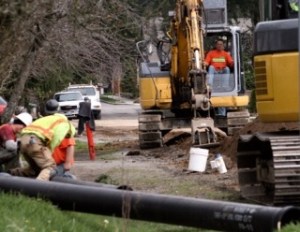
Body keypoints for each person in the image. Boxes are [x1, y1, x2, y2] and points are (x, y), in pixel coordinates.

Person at [8, 99, 76, 181]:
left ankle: (9, 175)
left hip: (24, 140)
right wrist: (48, 151)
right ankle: (37, 188)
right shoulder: (65, 124)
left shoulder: (45, 120)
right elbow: (55, 140)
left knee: (35, 170)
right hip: (35, 141)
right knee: (50, 167)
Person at [204, 39, 234, 116]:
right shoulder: (211, 53)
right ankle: (209, 85)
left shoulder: (226, 54)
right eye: (218, 44)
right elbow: (207, 62)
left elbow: (230, 63)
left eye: (221, 44)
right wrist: (204, 64)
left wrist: (233, 63)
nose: (219, 45)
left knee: (227, 69)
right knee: (211, 67)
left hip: (222, 72)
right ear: (216, 45)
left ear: (223, 46)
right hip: (214, 71)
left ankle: (225, 85)